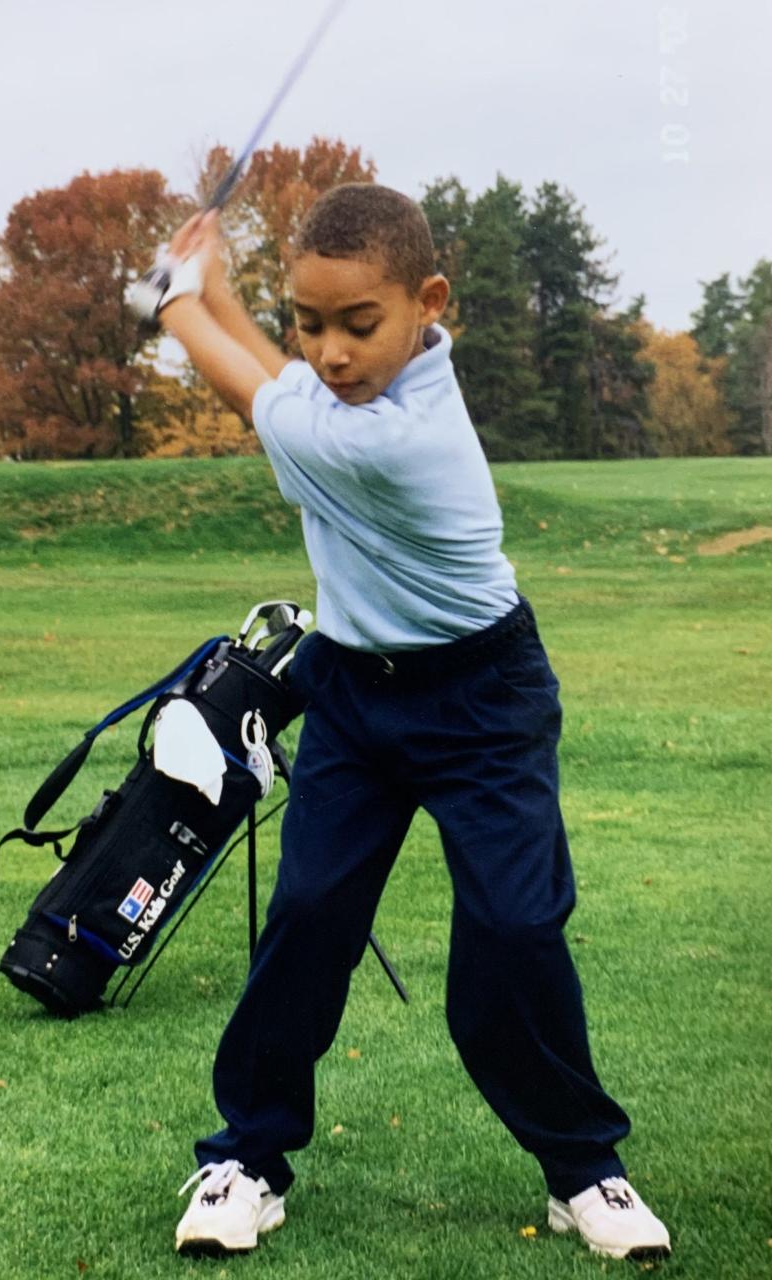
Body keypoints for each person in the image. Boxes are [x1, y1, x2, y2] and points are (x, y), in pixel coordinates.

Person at [145, 184, 671, 1263]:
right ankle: (247, 1153)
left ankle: (585, 1165)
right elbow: (285, 377)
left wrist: (177, 301)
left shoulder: (397, 441)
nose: (332, 351)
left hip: (483, 698)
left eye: (358, 323)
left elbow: (252, 381)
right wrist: (225, 291)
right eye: (311, 318)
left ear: (429, 302)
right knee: (309, 916)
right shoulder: (369, 387)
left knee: (516, 934)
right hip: (353, 689)